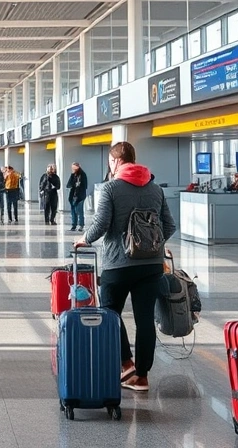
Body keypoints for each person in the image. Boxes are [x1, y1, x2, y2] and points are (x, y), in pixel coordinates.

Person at [74, 142, 176, 392]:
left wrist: (83, 239)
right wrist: (154, 244)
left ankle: (125, 363)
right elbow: (169, 226)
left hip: (118, 264)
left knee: (110, 314)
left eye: (110, 162)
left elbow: (100, 224)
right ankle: (142, 376)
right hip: (151, 265)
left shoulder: (110, 188)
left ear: (116, 162)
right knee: (144, 320)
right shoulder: (155, 188)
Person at [66, 162, 89, 232]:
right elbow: (68, 185)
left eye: (74, 168)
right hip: (73, 196)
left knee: (79, 211)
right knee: (73, 211)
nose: (73, 169)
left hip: (80, 196)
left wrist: (78, 186)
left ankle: (81, 225)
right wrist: (73, 181)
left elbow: (85, 186)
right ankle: (74, 225)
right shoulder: (73, 175)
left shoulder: (83, 175)